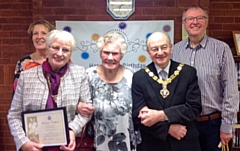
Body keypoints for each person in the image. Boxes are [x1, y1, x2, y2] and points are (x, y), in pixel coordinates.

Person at [7, 30, 92, 151]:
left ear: (70, 53)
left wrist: (72, 130)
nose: (60, 53)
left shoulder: (79, 74)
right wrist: (23, 142)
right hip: (34, 146)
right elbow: (14, 115)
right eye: (55, 48)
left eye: (66, 50)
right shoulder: (26, 76)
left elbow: (86, 112)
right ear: (47, 49)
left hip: (67, 146)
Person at [172, 5, 239, 151]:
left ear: (207, 22)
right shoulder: (175, 51)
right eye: (190, 19)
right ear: (184, 24)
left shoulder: (221, 49)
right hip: (184, 124)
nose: (194, 22)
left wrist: (227, 127)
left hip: (212, 125)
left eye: (199, 18)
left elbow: (231, 90)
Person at [132, 31, 202, 151]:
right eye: (155, 49)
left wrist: (161, 115)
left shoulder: (188, 73)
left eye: (164, 47)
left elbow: (194, 108)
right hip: (153, 144)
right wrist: (168, 129)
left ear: (171, 47)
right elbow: (139, 116)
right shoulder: (139, 77)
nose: (160, 52)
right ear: (148, 52)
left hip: (185, 142)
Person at [77, 32, 140, 151]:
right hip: (96, 141)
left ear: (121, 55)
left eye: (115, 53)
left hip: (126, 140)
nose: (110, 57)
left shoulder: (131, 75)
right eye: (106, 52)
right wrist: (78, 105)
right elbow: (77, 101)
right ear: (100, 53)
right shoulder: (89, 75)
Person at [13, 20, 55, 93]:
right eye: (35, 33)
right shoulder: (23, 63)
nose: (39, 37)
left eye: (44, 33)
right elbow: (16, 93)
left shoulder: (59, 60)